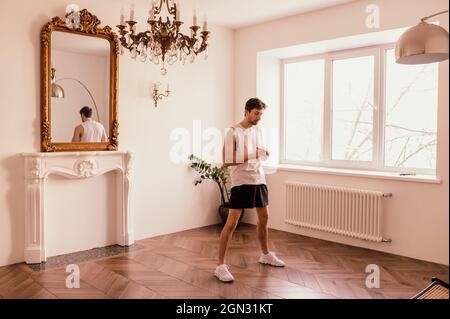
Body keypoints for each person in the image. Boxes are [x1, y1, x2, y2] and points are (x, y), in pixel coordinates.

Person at [214, 98, 285, 283]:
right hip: (241, 181)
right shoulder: (233, 132)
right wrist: (254, 154)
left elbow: (257, 152)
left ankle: (265, 255)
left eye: (261, 114)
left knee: (265, 217)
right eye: (256, 113)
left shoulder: (259, 131)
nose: (259, 117)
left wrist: (264, 153)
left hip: (259, 178)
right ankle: (220, 266)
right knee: (232, 223)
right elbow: (227, 160)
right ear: (246, 111)